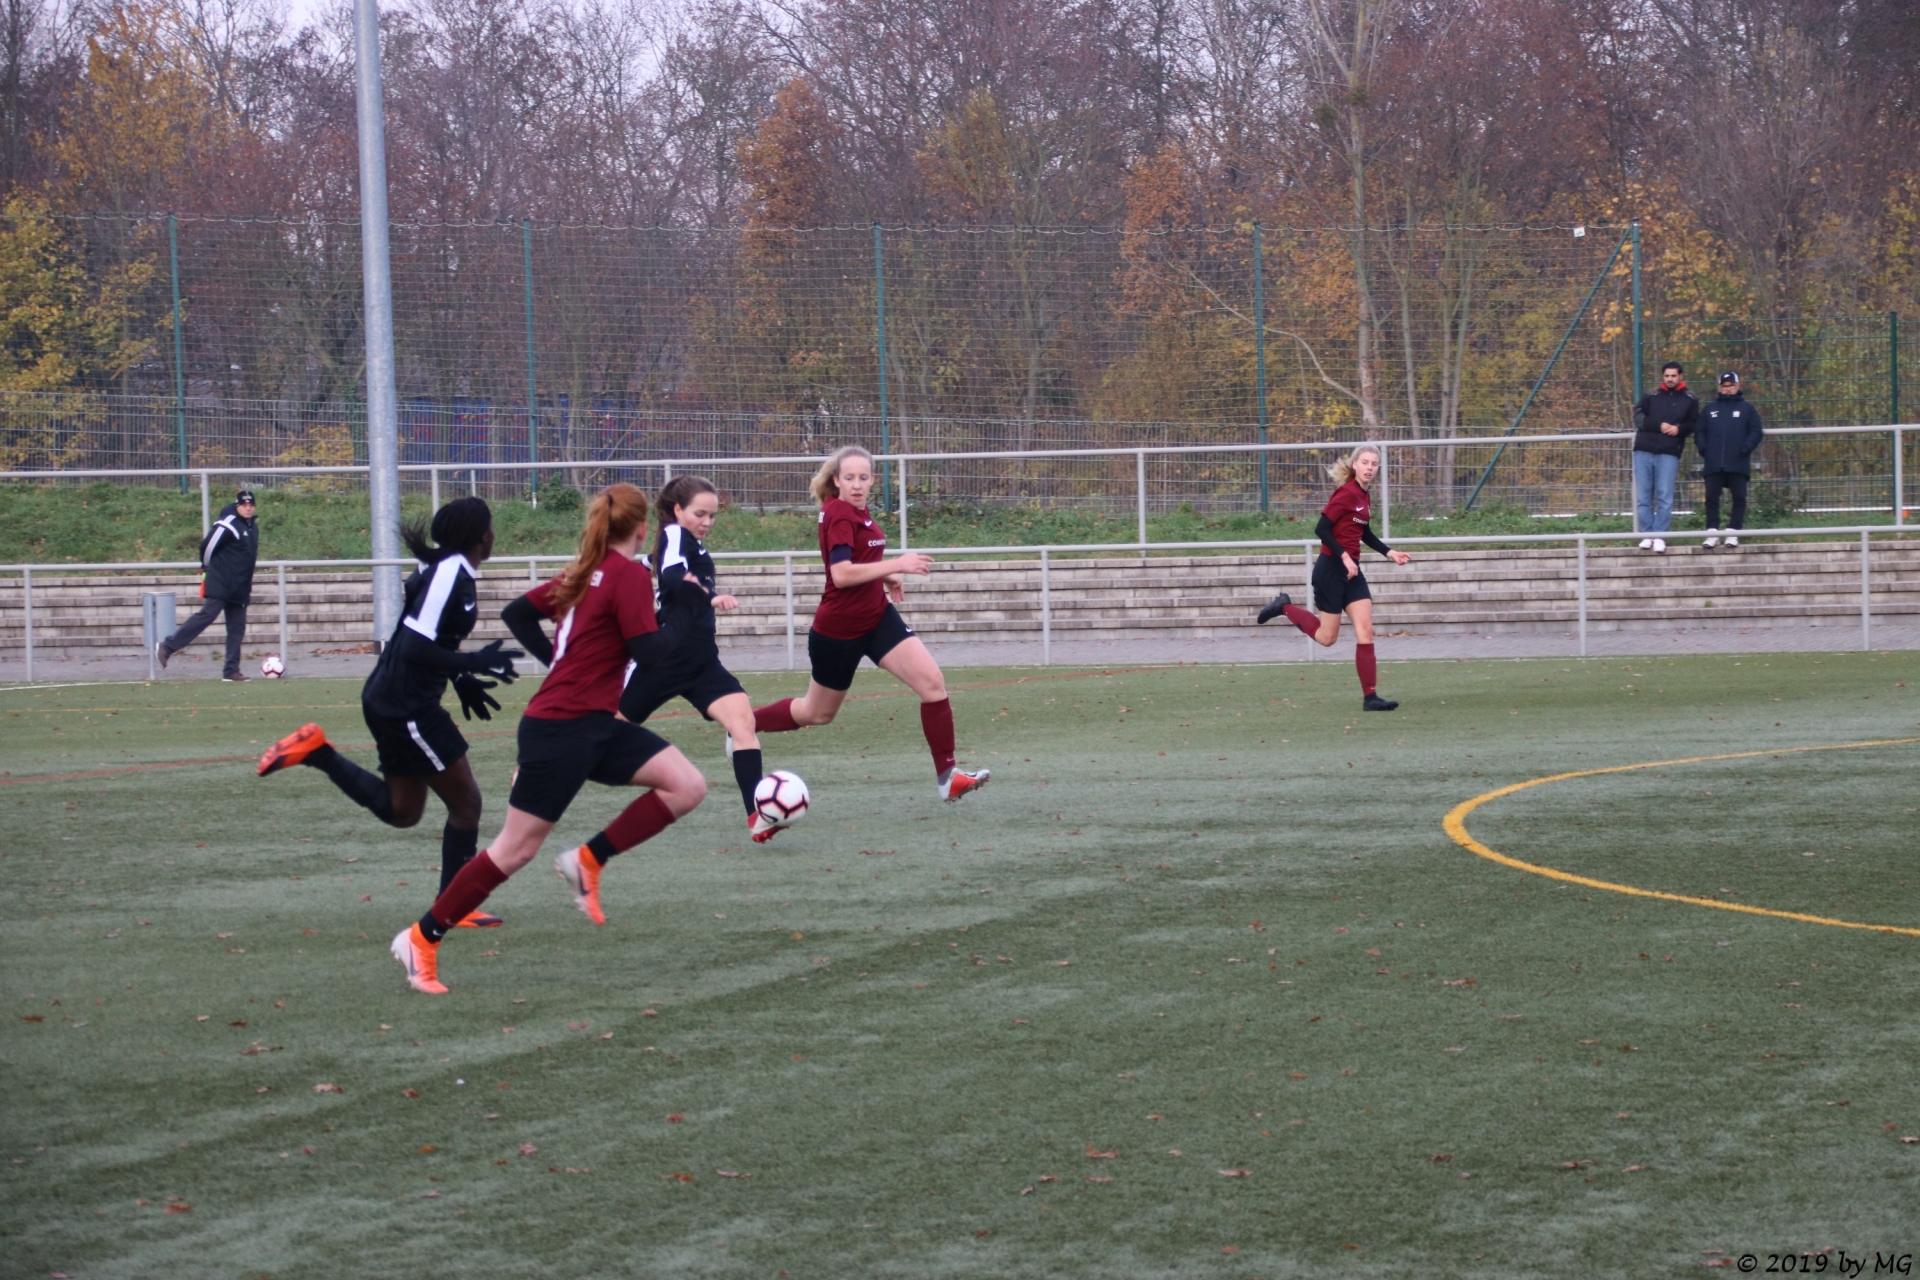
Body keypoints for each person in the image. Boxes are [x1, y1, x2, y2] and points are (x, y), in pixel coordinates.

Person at [390, 483, 709, 994]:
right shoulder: (625, 573)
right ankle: (420, 938)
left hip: (592, 723)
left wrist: (557, 663)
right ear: (642, 528)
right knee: (513, 851)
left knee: (686, 785)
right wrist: (688, 606)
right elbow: (650, 653)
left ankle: (587, 859)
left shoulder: (586, 569)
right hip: (562, 729)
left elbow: (517, 613)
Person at [254, 497, 522, 929]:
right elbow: (414, 646)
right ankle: (454, 906)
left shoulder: (448, 571)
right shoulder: (449, 573)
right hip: (407, 706)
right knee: (467, 804)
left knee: (403, 811)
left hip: (395, 700)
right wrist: (471, 663)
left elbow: (430, 638)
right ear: (479, 535)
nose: (494, 533)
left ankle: (318, 752)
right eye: (490, 525)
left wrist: (461, 677)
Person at [748, 446, 989, 802]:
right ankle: (744, 725)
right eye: (850, 478)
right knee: (816, 713)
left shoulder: (857, 511)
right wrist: (897, 565)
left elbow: (860, 557)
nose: (857, 484)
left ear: (873, 479)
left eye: (863, 477)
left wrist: (884, 576)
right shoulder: (839, 514)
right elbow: (842, 574)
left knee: (932, 683)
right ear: (837, 480)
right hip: (839, 631)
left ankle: (948, 777)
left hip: (877, 618)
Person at [589, 475, 783, 844]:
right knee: (599, 732)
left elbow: (652, 565)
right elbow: (673, 576)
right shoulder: (675, 533)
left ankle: (756, 815)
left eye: (713, 515)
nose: (707, 522)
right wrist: (709, 597)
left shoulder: (683, 541)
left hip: (701, 661)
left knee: (743, 722)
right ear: (677, 511)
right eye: (700, 514)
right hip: (662, 660)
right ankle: (537, 771)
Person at [1253, 443, 1412, 711]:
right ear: (1355, 464)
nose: (1369, 468)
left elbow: (1364, 532)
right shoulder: (1346, 493)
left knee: (1366, 630)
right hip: (1331, 570)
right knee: (1327, 638)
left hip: (1352, 572)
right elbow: (1322, 529)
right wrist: (1344, 556)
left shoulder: (1364, 495)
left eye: (1374, 464)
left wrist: (1390, 552)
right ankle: (1284, 606)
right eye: (1365, 462)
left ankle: (1370, 698)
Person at [158, 488, 259, 679]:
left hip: (239, 586)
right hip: (222, 581)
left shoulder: (252, 528)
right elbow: (207, 546)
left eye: (251, 504)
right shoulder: (228, 523)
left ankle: (231, 670)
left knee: (237, 629)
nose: (248, 508)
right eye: (244, 504)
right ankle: (167, 646)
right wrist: (205, 565)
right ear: (237, 505)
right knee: (207, 615)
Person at [1631, 362, 1699, 554]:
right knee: (1643, 496)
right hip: (1643, 450)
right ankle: (1647, 534)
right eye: (1667, 376)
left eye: (1673, 376)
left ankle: (1660, 535)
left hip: (1669, 452)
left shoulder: (1690, 399)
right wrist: (1659, 425)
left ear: (1680, 377)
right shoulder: (1651, 396)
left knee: (1665, 496)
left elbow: (1694, 423)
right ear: (1663, 377)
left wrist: (1679, 429)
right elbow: (1638, 417)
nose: (1670, 379)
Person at [1695, 371, 1764, 549]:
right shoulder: (1710, 409)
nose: (1728, 389)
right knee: (1711, 497)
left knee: (1739, 497)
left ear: (1738, 386)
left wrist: (1745, 448)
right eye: (1724, 386)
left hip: (1738, 462)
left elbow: (1756, 431)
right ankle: (1712, 532)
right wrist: (1704, 449)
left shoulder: (1747, 409)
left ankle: (1733, 532)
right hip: (1713, 462)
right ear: (1720, 388)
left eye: (1731, 385)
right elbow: (1699, 431)